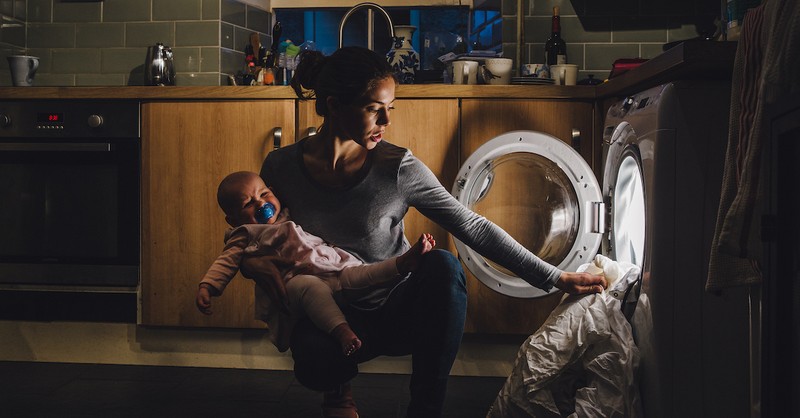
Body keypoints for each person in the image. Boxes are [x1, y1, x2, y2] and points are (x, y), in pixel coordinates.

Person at [247, 46, 608, 418]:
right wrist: (252, 264)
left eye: (391, 108)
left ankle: (425, 409)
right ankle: (338, 390)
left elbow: (470, 225)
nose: (386, 120)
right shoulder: (281, 166)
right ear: (335, 106)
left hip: (395, 309)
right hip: (329, 315)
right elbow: (256, 235)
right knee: (314, 362)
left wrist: (555, 276)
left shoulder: (398, 167)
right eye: (374, 109)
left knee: (443, 267)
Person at [196, 170, 436, 356]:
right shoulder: (244, 233)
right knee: (311, 288)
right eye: (248, 204)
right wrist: (208, 286)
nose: (261, 205)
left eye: (263, 194)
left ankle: (402, 264)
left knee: (359, 273)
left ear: (272, 191)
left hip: (328, 266)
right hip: (294, 282)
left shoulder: (286, 214)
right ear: (233, 218)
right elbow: (226, 261)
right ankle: (342, 331)